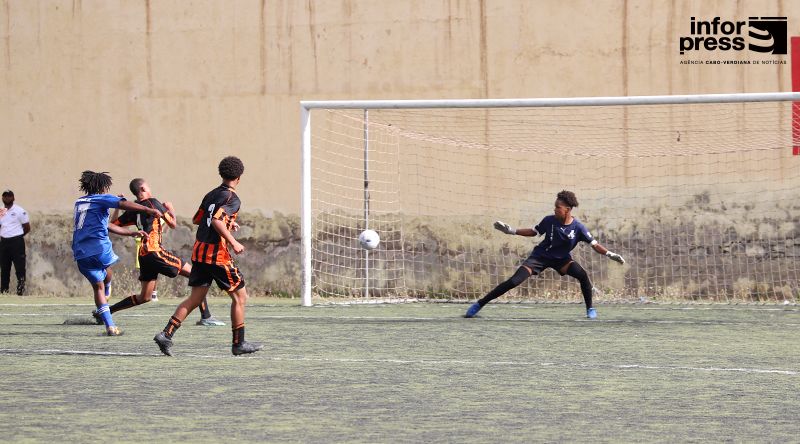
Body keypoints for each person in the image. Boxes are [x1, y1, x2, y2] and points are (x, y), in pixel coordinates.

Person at [154, 156, 262, 356]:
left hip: (199, 252)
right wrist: (233, 241)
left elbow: (199, 219)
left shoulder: (211, 194)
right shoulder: (233, 198)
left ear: (222, 174)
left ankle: (166, 334)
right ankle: (239, 343)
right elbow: (216, 222)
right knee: (240, 296)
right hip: (216, 255)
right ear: (239, 177)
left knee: (195, 298)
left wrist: (228, 222)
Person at [465, 190, 626, 319]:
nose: (555, 209)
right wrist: (511, 231)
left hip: (562, 260)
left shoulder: (578, 228)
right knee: (513, 281)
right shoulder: (549, 220)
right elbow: (534, 232)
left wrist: (610, 254)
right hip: (539, 258)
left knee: (582, 275)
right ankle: (479, 304)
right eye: (555, 207)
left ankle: (590, 309)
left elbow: (595, 245)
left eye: (558, 207)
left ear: (567, 210)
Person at [96, 178, 225, 325]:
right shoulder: (153, 202)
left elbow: (112, 225)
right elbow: (173, 224)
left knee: (144, 297)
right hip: (155, 251)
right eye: (148, 186)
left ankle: (106, 312)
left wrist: (118, 207)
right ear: (143, 189)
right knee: (198, 276)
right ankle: (206, 317)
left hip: (144, 255)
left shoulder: (133, 208)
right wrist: (171, 209)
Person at [72, 171, 162, 336]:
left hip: (80, 251)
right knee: (107, 268)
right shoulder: (101, 198)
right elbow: (123, 205)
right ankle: (108, 287)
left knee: (96, 288)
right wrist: (147, 210)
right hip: (99, 248)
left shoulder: (79, 202)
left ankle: (110, 326)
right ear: (102, 187)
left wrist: (131, 233)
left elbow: (106, 225)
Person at [0, 190, 31, 295]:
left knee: (20, 268)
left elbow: (27, 227)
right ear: (2, 198)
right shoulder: (1, 211)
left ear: (13, 198)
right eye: (5, 196)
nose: (7, 198)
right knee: (4, 268)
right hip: (4, 243)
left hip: (17, 242)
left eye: (9, 196)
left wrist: (18, 236)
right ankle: (4, 291)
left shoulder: (19, 211)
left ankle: (20, 291)